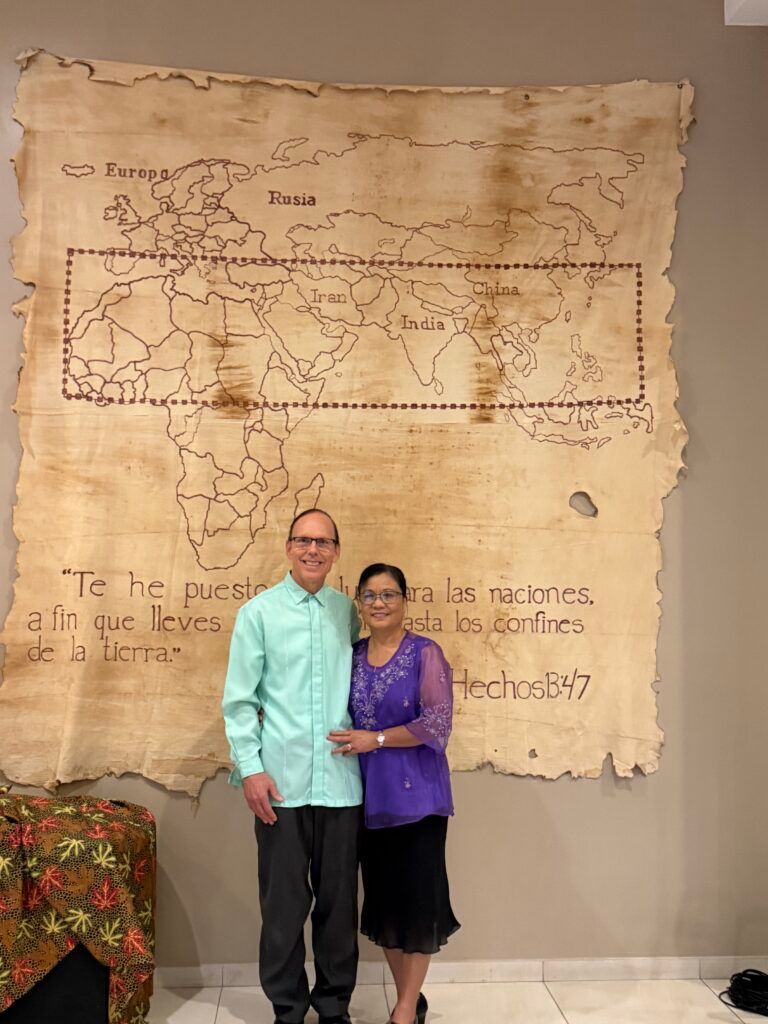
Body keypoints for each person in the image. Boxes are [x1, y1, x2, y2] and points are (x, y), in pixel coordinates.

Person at [222, 509, 362, 1024]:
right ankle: (287, 1009)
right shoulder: (257, 614)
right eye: (303, 540)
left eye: (323, 541)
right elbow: (239, 702)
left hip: (342, 783)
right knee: (282, 908)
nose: (313, 550)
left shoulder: (348, 612)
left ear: (336, 552)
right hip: (279, 783)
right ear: (288, 547)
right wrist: (250, 770)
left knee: (338, 907)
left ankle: (333, 1008)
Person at [328, 563, 460, 1024]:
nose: (379, 603)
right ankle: (412, 997)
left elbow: (437, 724)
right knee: (385, 904)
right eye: (369, 596)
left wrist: (376, 738)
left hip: (419, 801)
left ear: (405, 599)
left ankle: (403, 1010)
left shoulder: (425, 653)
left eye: (388, 594)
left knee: (418, 902)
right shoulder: (354, 654)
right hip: (368, 800)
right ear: (359, 604)